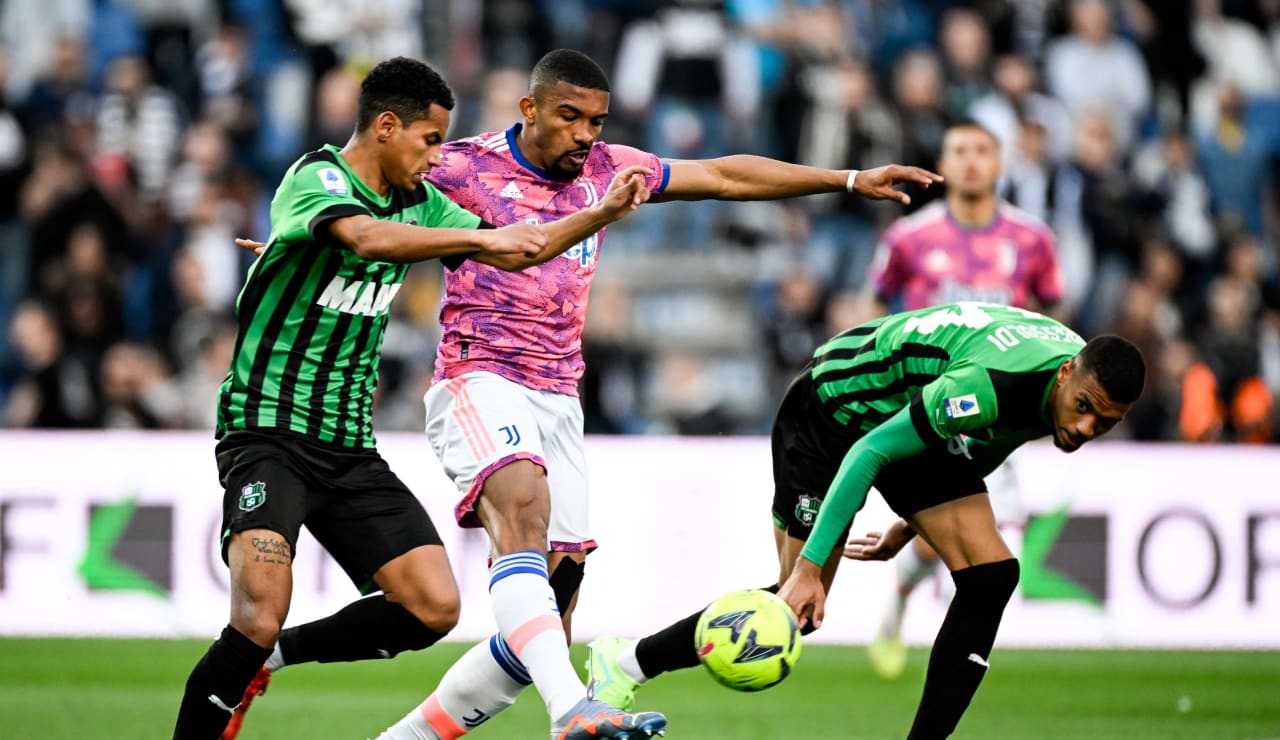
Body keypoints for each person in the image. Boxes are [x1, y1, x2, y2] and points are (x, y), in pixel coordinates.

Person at [366, 48, 941, 740]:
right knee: (521, 508)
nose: (585, 135)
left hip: (560, 396)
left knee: (543, 624)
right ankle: (573, 711)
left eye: (597, 122)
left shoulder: (610, 170)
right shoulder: (462, 166)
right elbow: (367, 185)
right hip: (479, 377)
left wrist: (847, 178)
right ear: (529, 110)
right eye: (569, 118)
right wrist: (302, 233)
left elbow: (725, 175)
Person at [172, 56, 653, 740]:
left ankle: (267, 662)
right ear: (387, 126)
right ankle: (242, 670)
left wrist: (599, 213)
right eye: (430, 141)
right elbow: (364, 235)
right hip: (268, 432)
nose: (437, 158)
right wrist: (474, 237)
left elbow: (521, 251)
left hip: (347, 446)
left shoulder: (419, 204)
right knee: (257, 611)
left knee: (431, 608)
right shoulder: (319, 178)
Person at [588, 302, 1144, 740]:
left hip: (905, 412)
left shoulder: (1059, 383)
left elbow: (993, 437)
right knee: (797, 606)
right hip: (833, 408)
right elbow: (870, 452)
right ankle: (626, 661)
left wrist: (912, 522)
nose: (1087, 427)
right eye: (1085, 408)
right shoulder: (989, 386)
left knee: (991, 575)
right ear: (1069, 373)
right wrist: (808, 567)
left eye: (1106, 422)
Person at [863, 119, 1064, 679]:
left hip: (999, 409)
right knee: (947, 541)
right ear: (943, 164)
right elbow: (872, 307)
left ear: (999, 164)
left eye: (982, 151)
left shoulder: (1033, 240)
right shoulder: (910, 237)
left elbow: (1052, 319)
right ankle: (922, 619)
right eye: (959, 151)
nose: (971, 161)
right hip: (930, 403)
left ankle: (935, 627)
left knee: (988, 539)